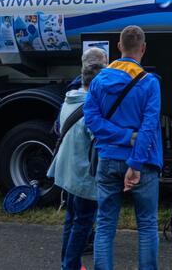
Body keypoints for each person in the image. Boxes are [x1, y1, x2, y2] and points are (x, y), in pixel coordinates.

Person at [83, 26, 162, 270]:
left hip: (107, 159)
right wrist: (135, 163)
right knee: (147, 225)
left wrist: (121, 136)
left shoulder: (98, 81)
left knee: (105, 225)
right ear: (144, 48)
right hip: (143, 163)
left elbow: (92, 120)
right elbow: (149, 128)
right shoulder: (149, 83)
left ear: (119, 47)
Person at [48, 47, 108, 270]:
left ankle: (68, 262)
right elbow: (99, 140)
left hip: (67, 171)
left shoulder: (69, 100)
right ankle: (70, 266)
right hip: (84, 175)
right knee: (83, 222)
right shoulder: (91, 108)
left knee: (71, 219)